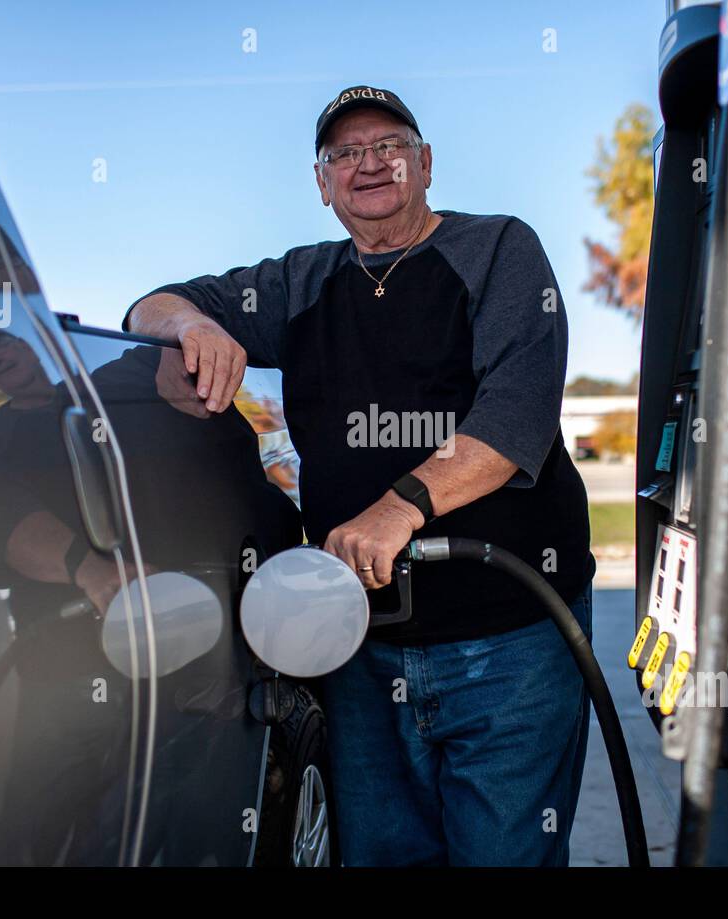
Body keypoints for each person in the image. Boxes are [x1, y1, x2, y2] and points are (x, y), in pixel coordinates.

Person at [125, 85, 595, 865]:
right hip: (362, 646)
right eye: (345, 153)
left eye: (389, 146)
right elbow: (149, 305)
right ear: (322, 182)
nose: (368, 164)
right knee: (380, 854)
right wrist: (193, 325)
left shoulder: (499, 249)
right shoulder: (298, 284)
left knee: (506, 854)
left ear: (426, 164)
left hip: (508, 639)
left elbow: (517, 413)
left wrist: (399, 506)